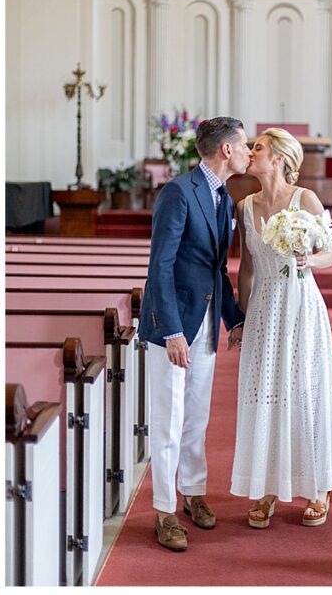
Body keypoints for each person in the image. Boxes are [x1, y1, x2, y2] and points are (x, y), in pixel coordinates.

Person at [228, 127, 332, 527]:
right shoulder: (244, 206)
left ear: (278, 157)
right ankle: (266, 486)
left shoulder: (306, 200)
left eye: (258, 148)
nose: (250, 153)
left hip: (301, 305)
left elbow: (331, 253)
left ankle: (317, 487)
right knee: (265, 392)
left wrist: (308, 261)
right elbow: (246, 267)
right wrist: (243, 317)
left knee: (305, 389)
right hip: (264, 307)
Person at [138, 116, 250, 552]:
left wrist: (234, 318)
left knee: (197, 418)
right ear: (225, 150)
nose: (247, 152)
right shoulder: (178, 192)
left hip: (204, 324)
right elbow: (159, 266)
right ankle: (164, 511)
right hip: (174, 326)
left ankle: (194, 493)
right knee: (168, 422)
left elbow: (216, 268)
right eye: (244, 146)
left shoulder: (224, 196)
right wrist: (171, 331)